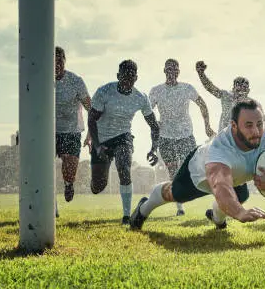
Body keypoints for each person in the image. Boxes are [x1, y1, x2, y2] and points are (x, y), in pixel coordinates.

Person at [129, 99, 265, 231]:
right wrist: (240, 213)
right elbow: (220, 186)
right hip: (198, 172)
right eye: (248, 125)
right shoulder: (220, 149)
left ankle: (217, 219)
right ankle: (143, 207)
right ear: (234, 126)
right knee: (175, 194)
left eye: (259, 123)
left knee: (239, 195)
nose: (256, 131)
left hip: (234, 178)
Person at [87, 59, 160, 224]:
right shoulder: (104, 91)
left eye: (131, 77)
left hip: (123, 137)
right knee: (98, 187)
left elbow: (154, 126)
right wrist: (97, 146)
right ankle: (94, 182)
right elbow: (91, 120)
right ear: (118, 76)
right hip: (101, 139)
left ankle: (126, 216)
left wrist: (154, 149)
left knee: (124, 166)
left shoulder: (141, 98)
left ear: (136, 78)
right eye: (124, 77)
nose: (127, 81)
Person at [149, 58, 215, 216]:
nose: (172, 72)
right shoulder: (156, 91)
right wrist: (154, 126)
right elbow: (148, 112)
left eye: (175, 69)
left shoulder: (187, 88)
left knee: (192, 167)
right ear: (164, 71)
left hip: (185, 135)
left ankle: (213, 194)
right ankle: (180, 207)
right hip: (165, 137)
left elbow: (202, 104)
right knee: (173, 172)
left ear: (178, 72)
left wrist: (207, 126)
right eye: (169, 69)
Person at [54, 46, 91, 206]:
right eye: (53, 61)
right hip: (49, 131)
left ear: (64, 61)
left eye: (59, 61)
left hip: (72, 131)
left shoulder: (76, 81)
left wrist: (91, 134)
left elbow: (91, 109)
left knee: (69, 169)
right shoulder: (42, 80)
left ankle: (69, 184)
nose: (56, 64)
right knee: (44, 168)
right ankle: (49, 203)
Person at [195, 60, 256, 131]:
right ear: (233, 89)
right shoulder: (226, 96)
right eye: (238, 89)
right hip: (225, 137)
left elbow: (262, 123)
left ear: (248, 91)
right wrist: (201, 74)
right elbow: (210, 88)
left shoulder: (252, 104)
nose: (241, 93)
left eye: (244, 89)